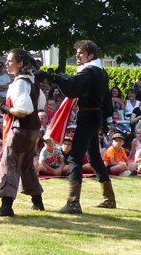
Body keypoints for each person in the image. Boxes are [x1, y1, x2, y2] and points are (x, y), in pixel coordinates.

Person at [40, 40, 115, 213]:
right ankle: (109, 199)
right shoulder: (101, 71)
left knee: (75, 158)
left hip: (88, 116)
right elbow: (107, 100)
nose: (77, 55)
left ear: (90, 55)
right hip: (94, 116)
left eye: (81, 53)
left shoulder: (89, 71)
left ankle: (73, 203)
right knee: (94, 157)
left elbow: (72, 87)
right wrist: (103, 122)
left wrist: (51, 76)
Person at [0, 49, 46, 216]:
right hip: (33, 128)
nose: (7, 63)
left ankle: (6, 206)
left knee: (9, 163)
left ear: (20, 63)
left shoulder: (20, 82)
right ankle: (37, 201)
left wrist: (1, 106)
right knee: (26, 165)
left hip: (21, 127)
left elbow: (23, 110)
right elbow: (40, 103)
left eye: (9, 60)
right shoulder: (31, 80)